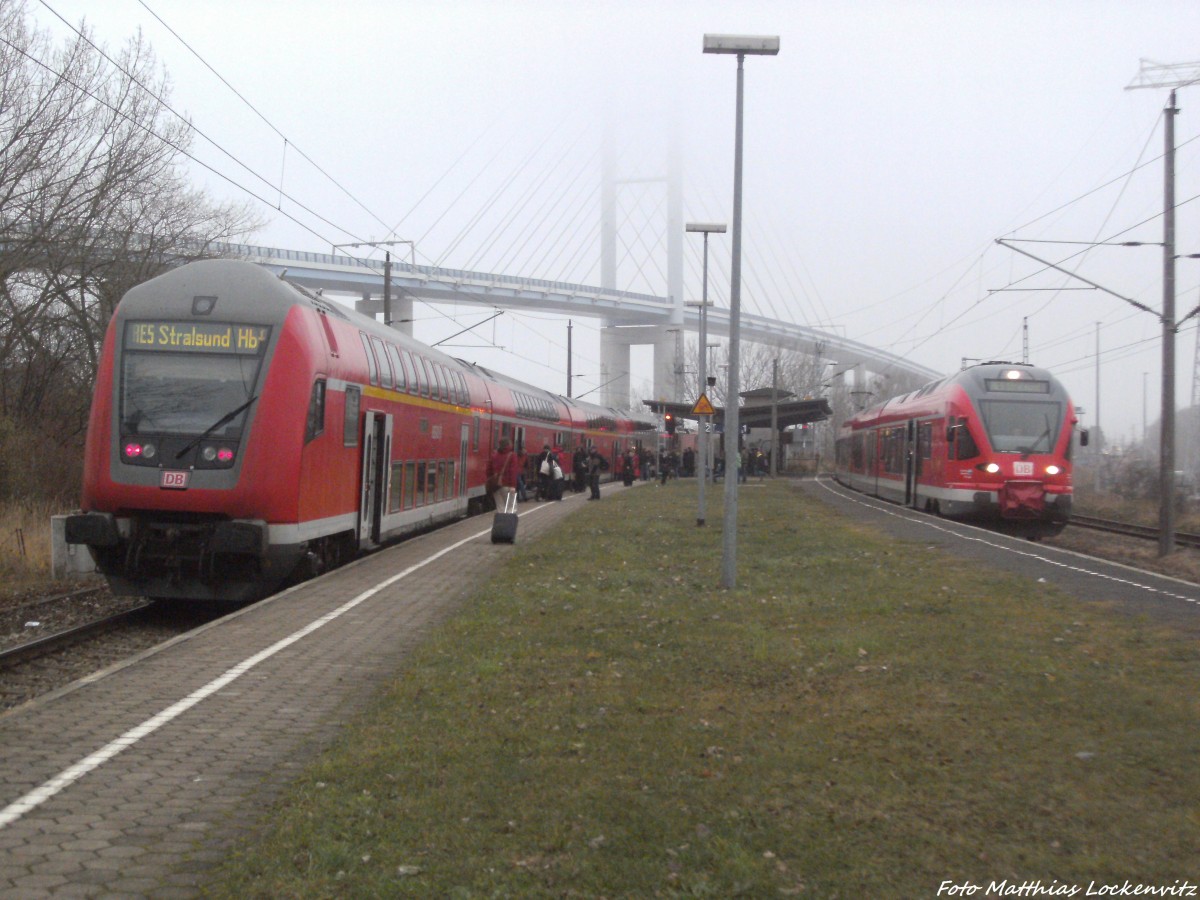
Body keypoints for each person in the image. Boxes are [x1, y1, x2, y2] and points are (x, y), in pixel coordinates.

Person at [487, 439, 519, 509]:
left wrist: (492, 480)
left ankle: (500, 520)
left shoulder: (494, 455)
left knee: (500, 507)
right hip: (507, 485)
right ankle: (509, 520)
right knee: (511, 507)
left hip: (496, 486)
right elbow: (513, 471)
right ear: (508, 445)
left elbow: (488, 470)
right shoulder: (512, 455)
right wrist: (513, 486)